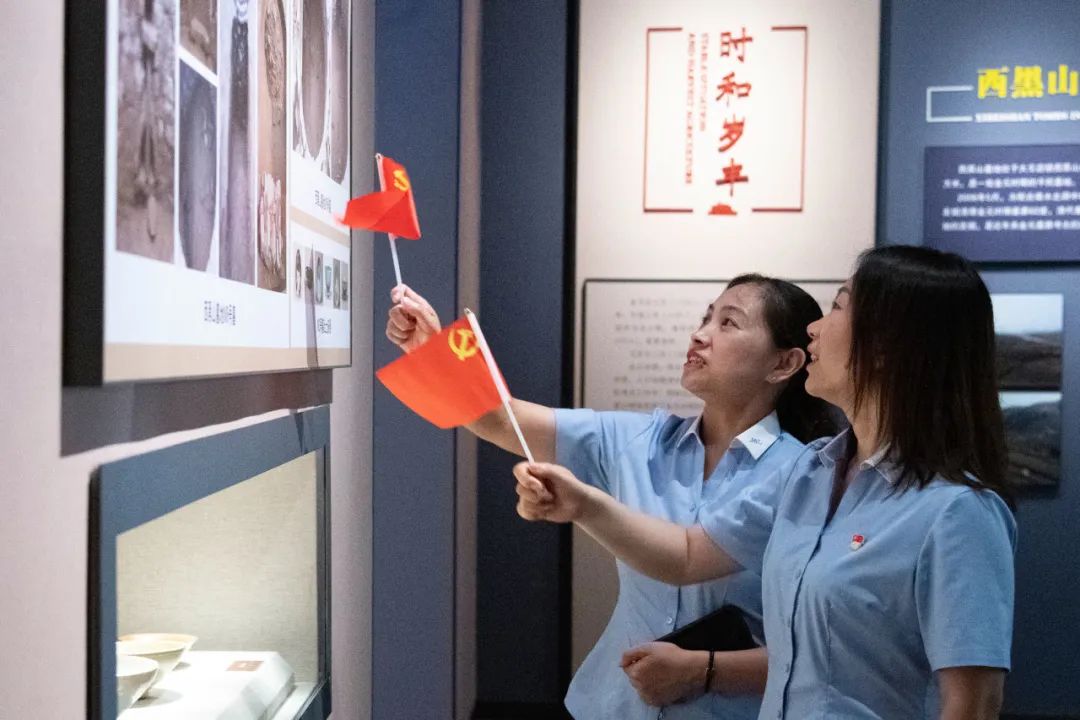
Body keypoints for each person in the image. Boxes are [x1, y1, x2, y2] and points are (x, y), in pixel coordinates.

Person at [515, 246, 1017, 720]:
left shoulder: (956, 513)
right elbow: (687, 557)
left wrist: (703, 671)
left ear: (887, 346)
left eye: (839, 306)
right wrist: (582, 504)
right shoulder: (809, 474)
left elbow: (972, 706)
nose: (815, 328)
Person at [386, 275, 837, 720]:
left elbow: (813, 645)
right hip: (612, 704)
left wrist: (706, 671)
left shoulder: (803, 473)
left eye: (728, 323)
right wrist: (432, 351)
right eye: (706, 318)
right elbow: (504, 421)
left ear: (784, 364)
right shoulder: (639, 440)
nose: (700, 334)